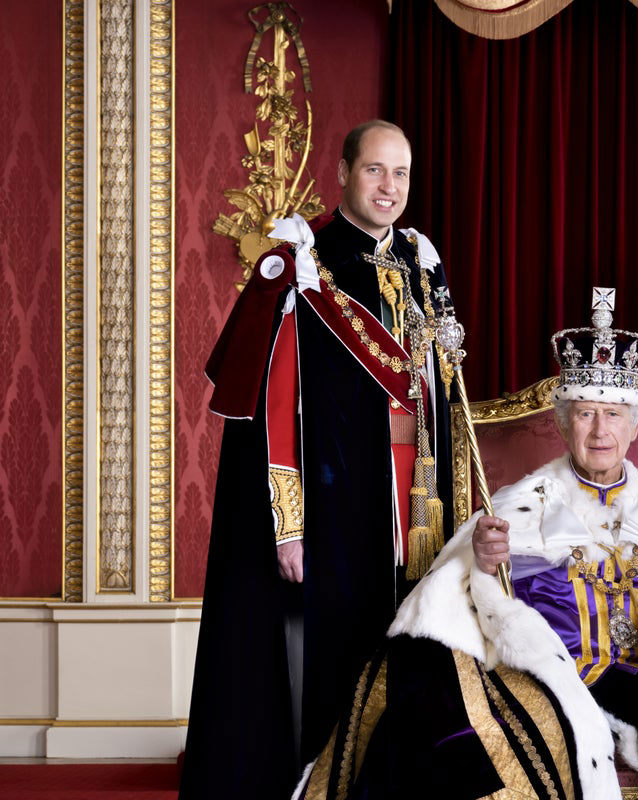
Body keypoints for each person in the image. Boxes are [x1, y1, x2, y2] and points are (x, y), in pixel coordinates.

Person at [296, 289, 638, 800]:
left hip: (631, 675)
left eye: (612, 415)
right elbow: (467, 596)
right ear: (564, 424)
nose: (599, 430)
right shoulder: (521, 503)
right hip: (547, 675)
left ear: (633, 428)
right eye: (585, 414)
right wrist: (486, 565)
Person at [181, 120, 458, 799]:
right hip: (336, 501)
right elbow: (275, 406)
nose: (389, 187)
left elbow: (442, 397)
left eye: (401, 173)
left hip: (415, 498)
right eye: (375, 170)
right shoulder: (303, 259)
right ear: (342, 172)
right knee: (340, 668)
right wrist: (288, 523)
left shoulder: (423, 262)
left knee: (414, 662)